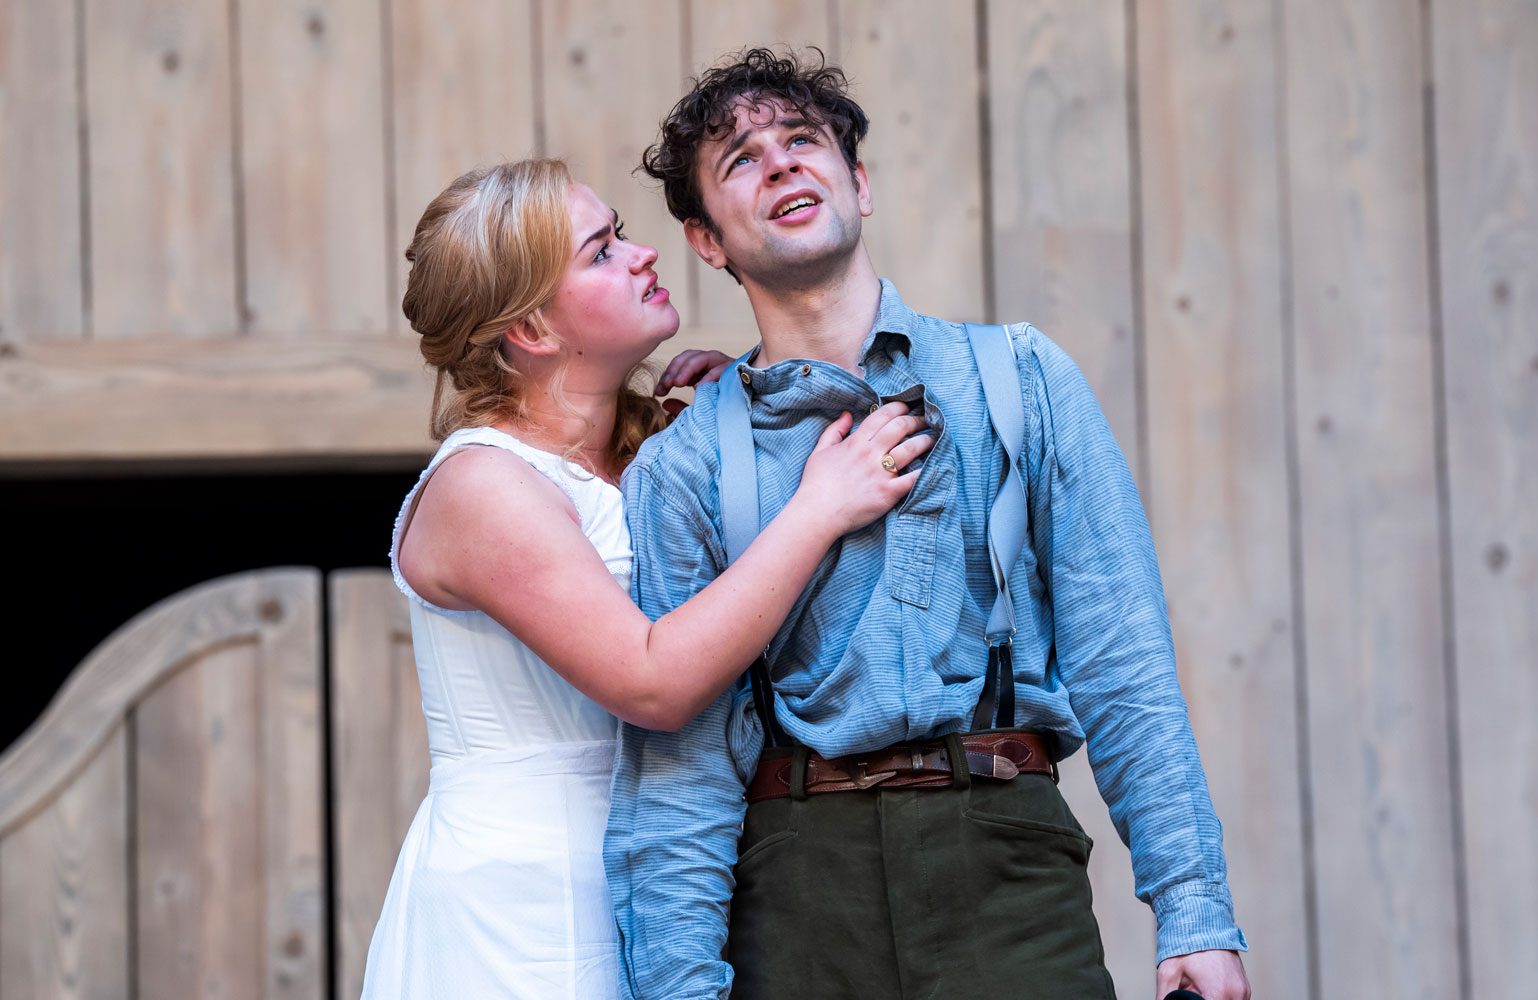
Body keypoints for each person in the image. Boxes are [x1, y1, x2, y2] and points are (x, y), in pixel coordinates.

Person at [605, 49, 1252, 1000]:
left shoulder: (1022, 381)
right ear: (707, 241)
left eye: (802, 140)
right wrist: (677, 988)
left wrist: (1192, 906)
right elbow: (683, 770)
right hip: (793, 890)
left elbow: (1125, 662)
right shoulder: (685, 463)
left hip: (1005, 866)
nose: (780, 163)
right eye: (740, 159)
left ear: (858, 183)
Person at [360, 157, 932, 999]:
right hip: (530, 903)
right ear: (533, 331)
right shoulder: (483, 487)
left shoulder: (655, 449)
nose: (641, 256)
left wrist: (729, 429)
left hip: (675, 869)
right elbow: (654, 681)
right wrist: (817, 507)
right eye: (600, 253)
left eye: (620, 234)